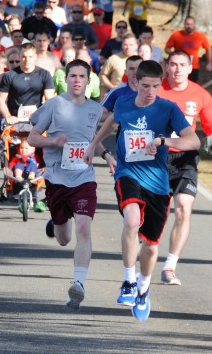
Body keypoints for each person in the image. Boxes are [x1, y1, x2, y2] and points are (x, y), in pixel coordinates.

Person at [85, 60, 200, 322]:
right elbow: (113, 120)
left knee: (150, 245)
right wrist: (94, 144)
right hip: (128, 173)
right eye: (145, 85)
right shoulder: (124, 102)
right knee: (132, 221)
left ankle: (143, 287)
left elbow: (193, 141)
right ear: (135, 82)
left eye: (156, 87)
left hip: (158, 182)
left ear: (161, 85)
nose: (150, 91)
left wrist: (163, 141)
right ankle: (128, 281)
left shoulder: (168, 108)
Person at [28, 59, 108, 310]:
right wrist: (53, 142)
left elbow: (93, 140)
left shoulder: (95, 110)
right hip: (56, 179)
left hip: (84, 178)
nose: (76, 80)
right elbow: (31, 137)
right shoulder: (53, 105)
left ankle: (79, 284)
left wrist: (106, 155)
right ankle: (57, 221)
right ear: (66, 79)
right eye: (72, 75)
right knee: (64, 238)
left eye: (81, 76)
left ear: (88, 80)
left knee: (84, 227)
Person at [158, 51, 212, 285]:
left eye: (182, 65)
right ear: (166, 67)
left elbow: (209, 128)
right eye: (173, 64)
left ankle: (170, 265)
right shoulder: (154, 90)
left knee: (184, 207)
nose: (178, 69)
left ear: (190, 68)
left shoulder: (200, 95)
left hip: (185, 158)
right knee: (152, 213)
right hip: (154, 157)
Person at [0, 43, 55, 126]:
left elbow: (49, 100)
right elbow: (0, 101)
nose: (27, 60)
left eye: (30, 57)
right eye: (24, 56)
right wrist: (8, 116)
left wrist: (45, 116)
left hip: (36, 121)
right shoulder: (9, 75)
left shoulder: (44, 74)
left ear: (35, 57)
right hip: (15, 121)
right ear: (20, 57)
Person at [164, 16, 212, 84]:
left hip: (193, 66)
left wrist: (209, 63)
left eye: (191, 24)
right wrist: (176, 55)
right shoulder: (176, 35)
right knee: (176, 83)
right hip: (179, 66)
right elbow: (167, 49)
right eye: (187, 24)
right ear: (184, 24)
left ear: (194, 25)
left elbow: (208, 48)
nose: (189, 26)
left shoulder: (200, 36)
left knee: (192, 85)